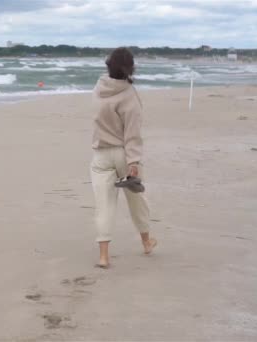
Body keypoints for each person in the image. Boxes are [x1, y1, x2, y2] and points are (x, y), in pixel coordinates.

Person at [90, 47, 157, 268]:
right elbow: (133, 132)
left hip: (100, 154)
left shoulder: (99, 88)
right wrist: (134, 162)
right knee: (137, 200)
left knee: (104, 206)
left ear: (108, 65)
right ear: (131, 68)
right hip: (123, 153)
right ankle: (147, 243)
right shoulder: (129, 94)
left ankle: (103, 256)